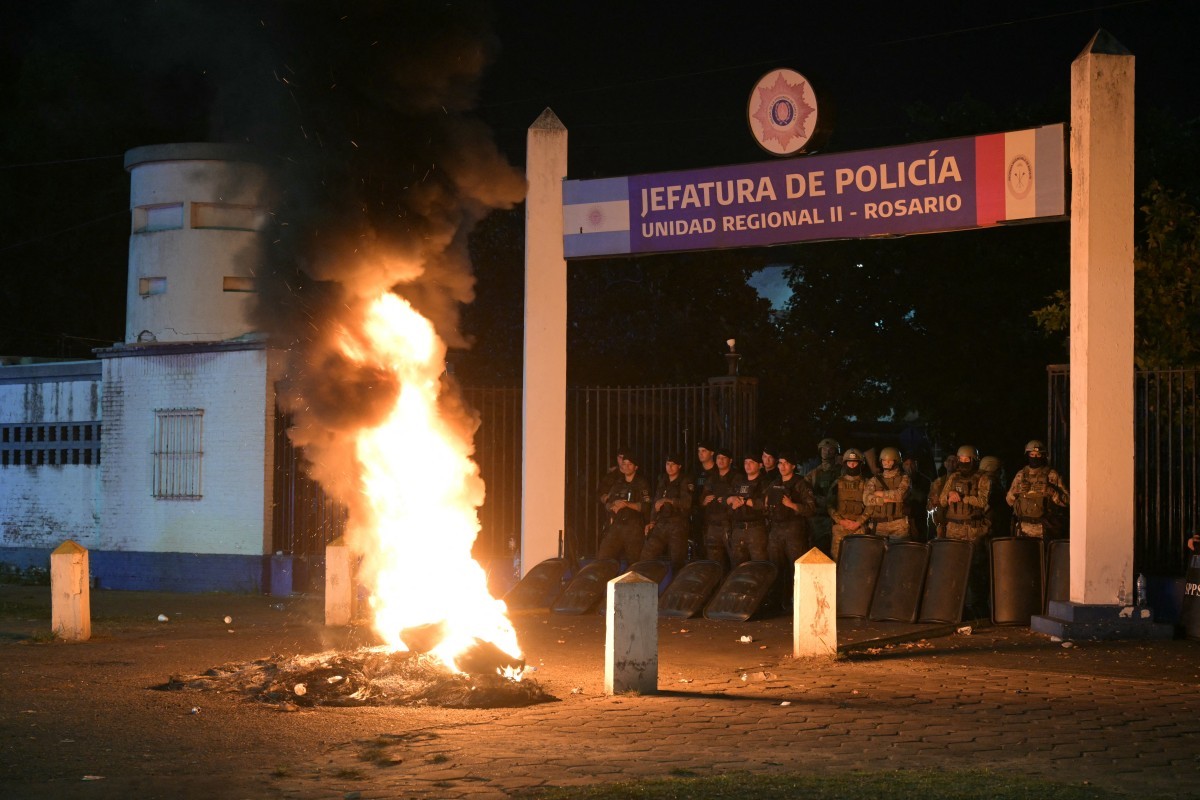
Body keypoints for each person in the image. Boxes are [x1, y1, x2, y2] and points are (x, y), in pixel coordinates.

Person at [765, 449, 818, 605]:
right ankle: (777, 601)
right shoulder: (775, 484)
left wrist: (792, 505)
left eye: (786, 463)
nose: (782, 466)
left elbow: (811, 509)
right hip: (776, 529)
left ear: (793, 466)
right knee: (775, 566)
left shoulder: (801, 484)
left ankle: (799, 601)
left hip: (794, 529)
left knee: (797, 567)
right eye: (780, 463)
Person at [640, 453, 694, 572]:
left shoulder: (685, 481)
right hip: (661, 523)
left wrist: (668, 500)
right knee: (646, 556)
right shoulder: (663, 479)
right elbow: (656, 501)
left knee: (677, 561)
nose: (669, 467)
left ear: (679, 466)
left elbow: (686, 503)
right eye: (667, 464)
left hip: (678, 524)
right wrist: (652, 521)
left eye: (673, 464)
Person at [1006, 440, 1069, 540]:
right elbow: (1009, 501)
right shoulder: (1020, 475)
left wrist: (1051, 492)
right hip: (1023, 529)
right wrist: (1015, 491)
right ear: (1027, 455)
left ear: (1043, 456)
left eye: (1038, 455)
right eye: (1032, 454)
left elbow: (1067, 501)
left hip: (1044, 530)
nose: (1035, 457)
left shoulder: (1052, 475)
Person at [595, 452, 651, 564]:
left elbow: (646, 506)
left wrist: (627, 504)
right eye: (624, 464)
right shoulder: (618, 483)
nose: (626, 466)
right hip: (617, 525)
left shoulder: (642, 483)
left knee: (634, 562)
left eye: (630, 464)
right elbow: (608, 503)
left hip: (634, 527)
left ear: (636, 467)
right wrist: (612, 506)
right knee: (604, 557)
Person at [938, 445, 991, 543]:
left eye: (966, 460)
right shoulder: (954, 477)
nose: (963, 462)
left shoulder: (982, 478)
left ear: (973, 460)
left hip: (972, 530)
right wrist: (949, 495)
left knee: (973, 557)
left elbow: (983, 502)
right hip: (952, 529)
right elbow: (941, 501)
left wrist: (964, 498)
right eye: (961, 459)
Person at [700, 446, 740, 572]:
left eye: (724, 458)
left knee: (735, 561)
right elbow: (702, 497)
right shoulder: (712, 477)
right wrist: (703, 501)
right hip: (712, 525)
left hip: (730, 525)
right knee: (714, 563)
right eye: (718, 458)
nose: (721, 461)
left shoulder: (736, 477)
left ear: (730, 461)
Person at [828, 447, 870, 560]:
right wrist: (840, 520)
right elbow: (830, 505)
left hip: (859, 528)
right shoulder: (837, 483)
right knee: (836, 561)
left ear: (860, 464)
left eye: (855, 462)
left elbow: (871, 507)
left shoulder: (867, 483)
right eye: (849, 462)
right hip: (840, 527)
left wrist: (858, 522)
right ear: (845, 463)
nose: (852, 465)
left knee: (859, 562)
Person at [863, 446, 912, 541]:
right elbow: (866, 499)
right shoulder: (874, 479)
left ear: (896, 461)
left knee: (898, 553)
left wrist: (878, 493)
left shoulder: (904, 478)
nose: (886, 463)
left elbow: (899, 496)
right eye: (884, 460)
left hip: (898, 524)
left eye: (890, 461)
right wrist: (884, 499)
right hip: (878, 525)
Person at [806, 437, 841, 556]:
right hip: (819, 518)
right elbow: (804, 490)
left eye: (830, 449)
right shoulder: (814, 473)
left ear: (836, 452)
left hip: (837, 518)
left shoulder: (842, 472)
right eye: (824, 449)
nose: (827, 452)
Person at [927, 453, 958, 539]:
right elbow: (930, 506)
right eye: (949, 461)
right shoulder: (938, 482)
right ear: (945, 463)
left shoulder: (961, 481)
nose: (951, 463)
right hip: (941, 525)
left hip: (956, 524)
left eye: (954, 461)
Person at [979, 455, 1011, 537]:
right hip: (993, 526)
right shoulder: (992, 485)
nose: (1001, 472)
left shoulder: (979, 482)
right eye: (999, 469)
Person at [903, 454, 932, 542]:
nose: (909, 467)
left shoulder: (925, 480)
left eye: (911, 464)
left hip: (919, 518)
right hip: (904, 518)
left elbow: (921, 497)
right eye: (907, 464)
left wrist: (909, 486)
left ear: (916, 465)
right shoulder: (900, 479)